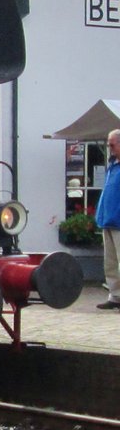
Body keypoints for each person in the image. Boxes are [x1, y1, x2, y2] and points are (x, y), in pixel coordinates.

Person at [96, 129, 120, 309]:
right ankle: (115, 296)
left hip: (118, 219)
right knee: (110, 261)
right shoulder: (112, 165)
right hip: (108, 219)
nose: (110, 149)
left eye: (112, 145)